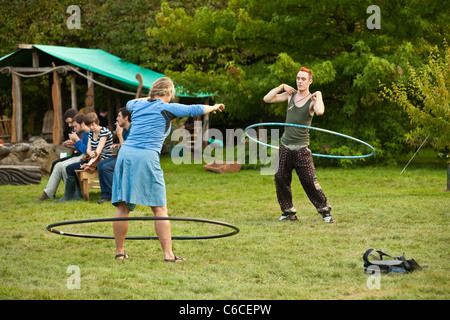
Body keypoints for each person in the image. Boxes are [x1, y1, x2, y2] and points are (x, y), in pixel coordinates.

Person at [112, 77, 225, 261]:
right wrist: (214, 106)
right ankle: (168, 255)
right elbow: (193, 109)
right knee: (159, 208)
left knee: (123, 206)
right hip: (145, 155)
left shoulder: (137, 105)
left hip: (126, 153)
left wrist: (150, 98)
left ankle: (120, 252)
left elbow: (129, 102)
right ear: (169, 93)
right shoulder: (166, 107)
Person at [263, 67, 334, 223]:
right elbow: (267, 99)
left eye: (303, 79)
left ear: (310, 81)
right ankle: (288, 212)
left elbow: (320, 111)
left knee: (309, 181)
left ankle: (325, 212)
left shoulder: (312, 100)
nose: (299, 81)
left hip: (301, 149)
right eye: (298, 78)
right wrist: (282, 86)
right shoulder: (290, 96)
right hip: (285, 146)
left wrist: (319, 94)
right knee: (280, 178)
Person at [62, 112, 113, 201]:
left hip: (105, 158)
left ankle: (106, 195)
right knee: (70, 167)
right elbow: (88, 150)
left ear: (97, 122)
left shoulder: (104, 132)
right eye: (89, 126)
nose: (91, 128)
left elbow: (99, 150)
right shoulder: (91, 133)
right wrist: (90, 154)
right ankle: (72, 195)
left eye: (93, 125)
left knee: (101, 164)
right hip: (93, 158)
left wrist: (89, 164)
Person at [39, 113, 89, 201]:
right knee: (58, 164)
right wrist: (73, 145)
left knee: (62, 165)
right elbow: (83, 150)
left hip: (87, 158)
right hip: (82, 155)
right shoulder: (85, 133)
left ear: (82, 123)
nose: (74, 129)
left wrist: (76, 141)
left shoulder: (88, 133)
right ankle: (49, 192)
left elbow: (86, 151)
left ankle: (71, 194)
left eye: (75, 126)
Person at [97, 107, 132, 204]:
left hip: (130, 158)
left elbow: (128, 150)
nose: (117, 118)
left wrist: (119, 134)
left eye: (119, 116)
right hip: (122, 156)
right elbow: (124, 145)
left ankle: (116, 195)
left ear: (126, 118)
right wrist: (118, 145)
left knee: (106, 167)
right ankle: (106, 195)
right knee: (100, 164)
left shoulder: (132, 130)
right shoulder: (125, 130)